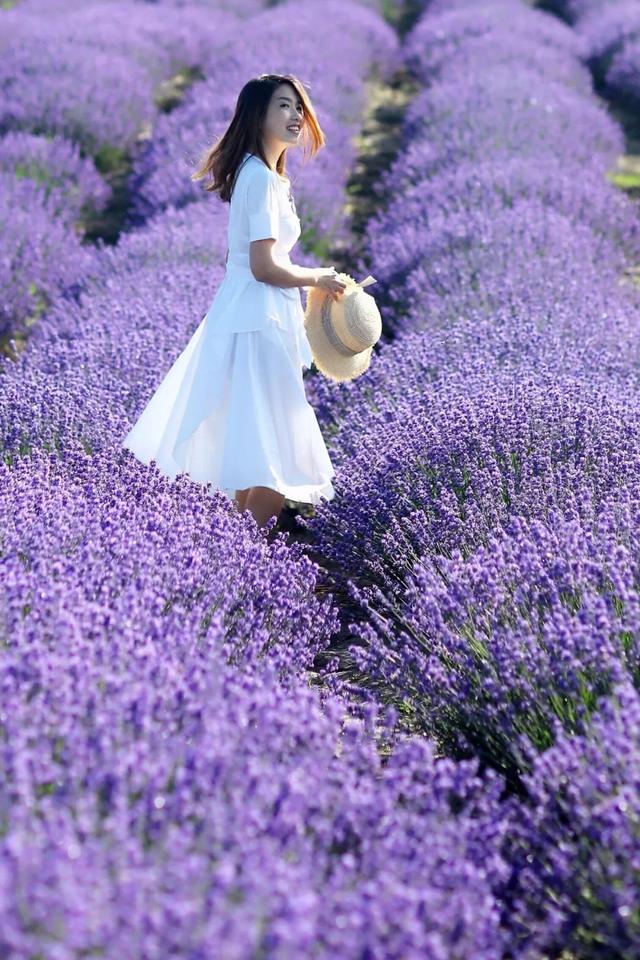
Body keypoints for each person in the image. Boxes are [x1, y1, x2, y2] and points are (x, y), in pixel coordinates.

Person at [122, 73, 346, 531]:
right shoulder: (259, 178)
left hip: (254, 314)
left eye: (299, 107)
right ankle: (249, 564)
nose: (296, 116)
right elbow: (263, 265)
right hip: (258, 319)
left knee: (256, 452)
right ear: (257, 115)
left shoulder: (260, 175)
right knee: (271, 456)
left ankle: (238, 560)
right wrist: (318, 277)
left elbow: (244, 262)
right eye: (284, 106)